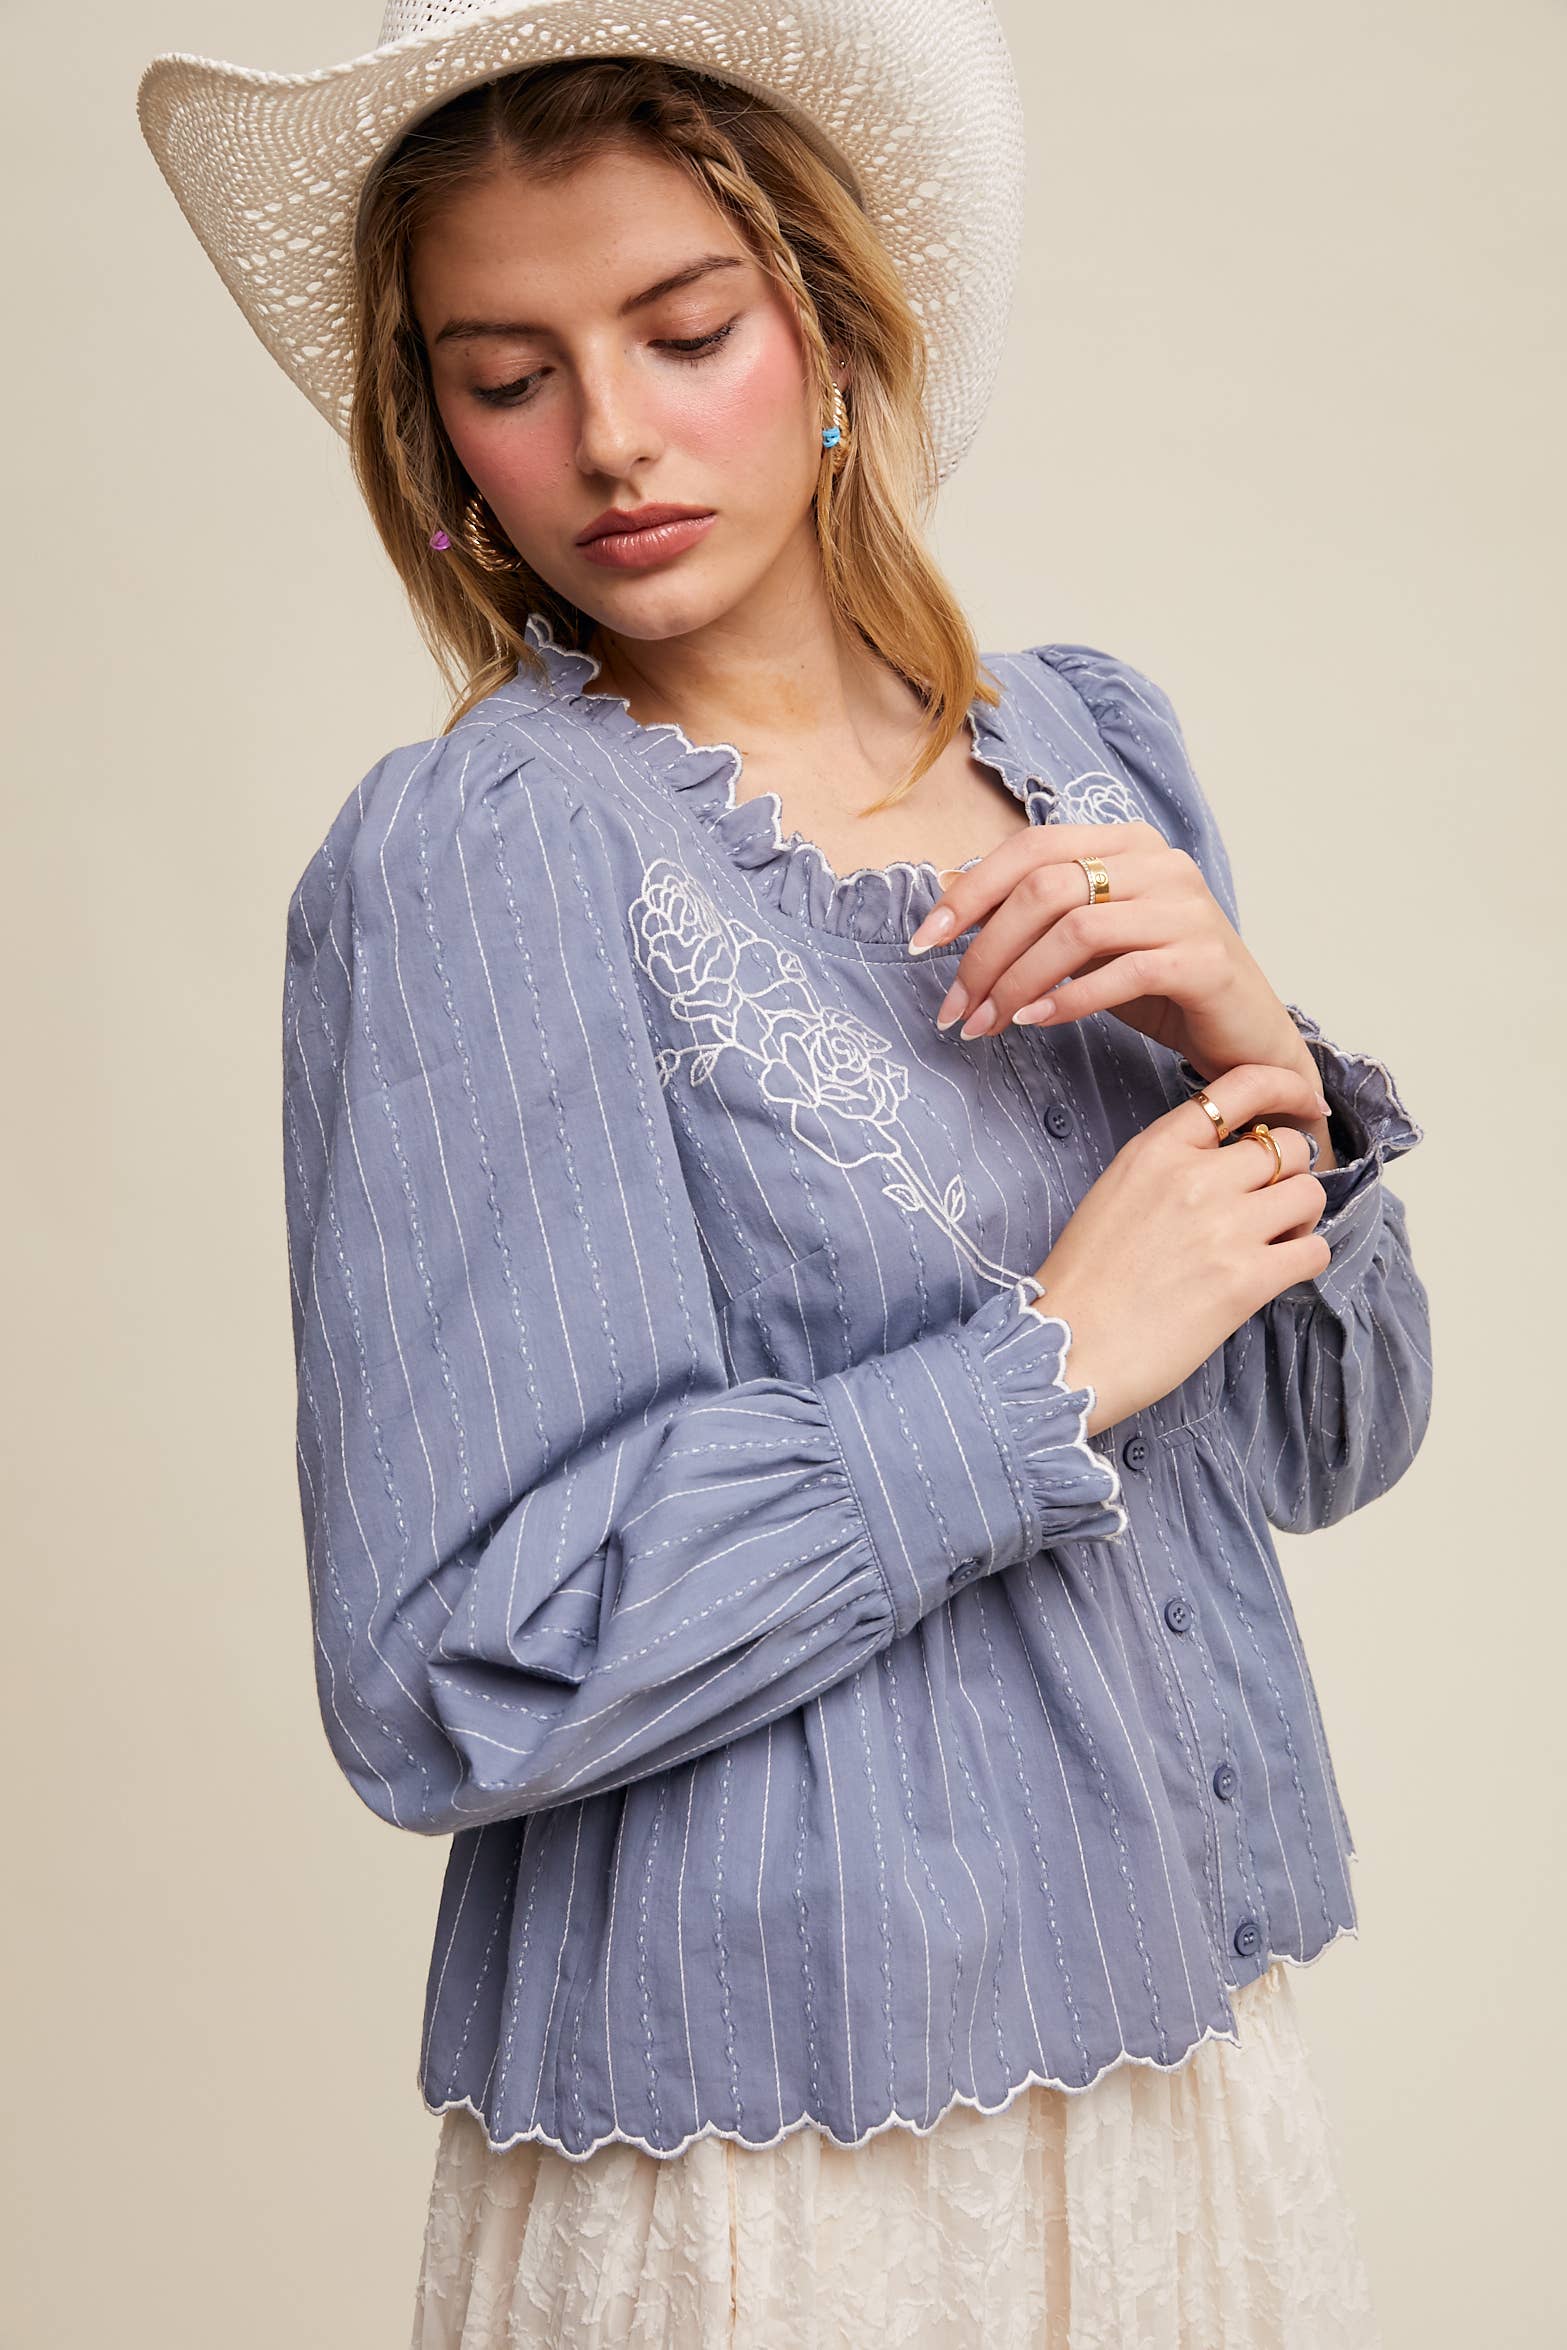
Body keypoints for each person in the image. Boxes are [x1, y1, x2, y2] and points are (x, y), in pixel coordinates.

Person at [138, 5, 1431, 2342]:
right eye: (505, 370)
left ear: (826, 329)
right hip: (778, 2139)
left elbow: (1325, 1446)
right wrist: (1040, 1367)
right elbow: (440, 1668)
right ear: (434, 440)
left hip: (1179, 2063)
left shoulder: (1087, 747)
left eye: (682, 326)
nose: (611, 435)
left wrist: (1262, 1055)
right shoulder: (485, 859)